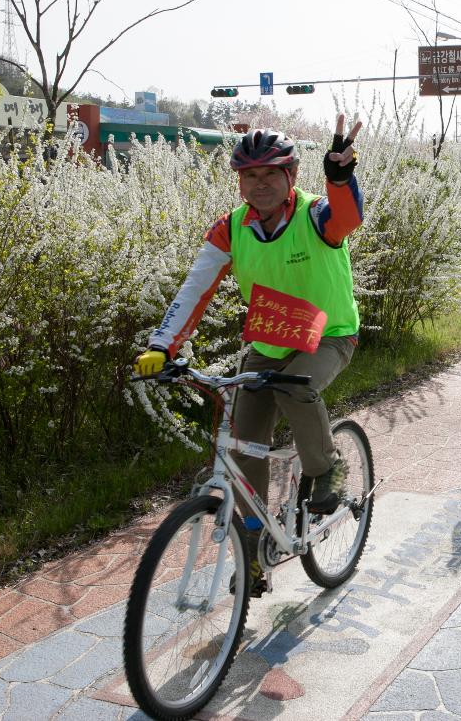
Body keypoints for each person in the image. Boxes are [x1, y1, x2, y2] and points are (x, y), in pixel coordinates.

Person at [134, 116, 364, 592]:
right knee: (241, 440)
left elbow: (347, 219)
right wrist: (163, 344)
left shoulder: (316, 214)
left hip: (330, 334)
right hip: (270, 339)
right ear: (240, 182)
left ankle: (328, 469)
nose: (260, 186)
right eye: (249, 177)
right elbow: (195, 286)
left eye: (270, 174)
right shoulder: (231, 228)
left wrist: (340, 179)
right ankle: (256, 541)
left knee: (294, 390)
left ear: (291, 177)